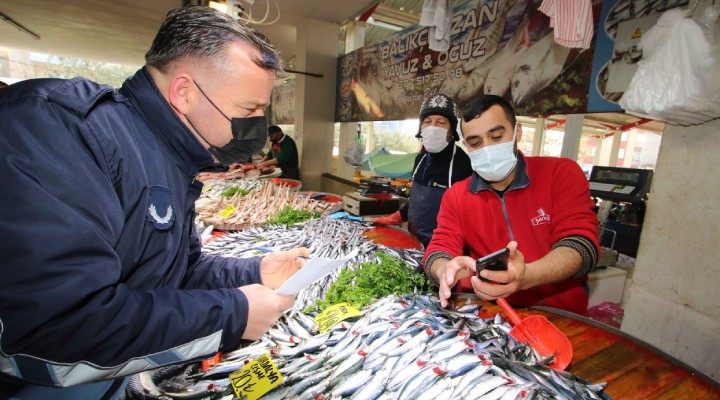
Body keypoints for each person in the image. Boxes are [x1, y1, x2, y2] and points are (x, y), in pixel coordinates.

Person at [0, 6, 308, 398]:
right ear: (184, 92)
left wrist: (253, 272)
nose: (258, 125)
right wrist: (235, 313)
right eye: (249, 110)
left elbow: (175, 271)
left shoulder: (168, 157)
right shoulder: (57, 130)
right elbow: (57, 324)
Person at [423, 94, 599, 315]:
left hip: (562, 316)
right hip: (493, 315)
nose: (487, 148)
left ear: (518, 132)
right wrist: (443, 271)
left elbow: (581, 246)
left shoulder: (560, 174)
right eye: (475, 143)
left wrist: (527, 275)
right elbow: (438, 249)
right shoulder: (457, 195)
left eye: (496, 137)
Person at [372, 93, 473, 249]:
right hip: (414, 242)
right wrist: (397, 217)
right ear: (421, 128)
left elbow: (469, 218)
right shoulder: (420, 160)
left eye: (441, 122)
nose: (433, 127)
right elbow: (417, 200)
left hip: (446, 249)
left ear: (452, 130)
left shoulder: (463, 165)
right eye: (427, 121)